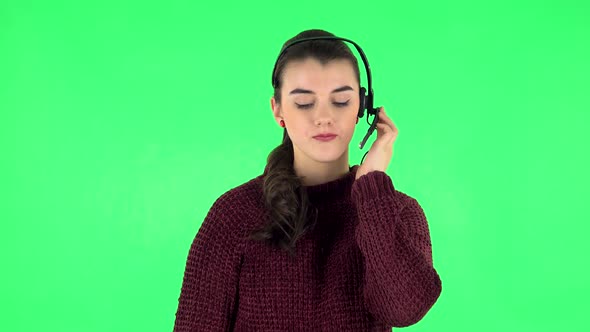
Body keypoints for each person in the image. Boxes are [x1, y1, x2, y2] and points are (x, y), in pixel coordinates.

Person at [173, 29, 442, 331]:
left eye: (340, 101)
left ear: (363, 108)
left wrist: (372, 188)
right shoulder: (233, 215)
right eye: (304, 103)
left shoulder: (395, 211)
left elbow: (404, 310)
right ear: (278, 110)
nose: (323, 117)